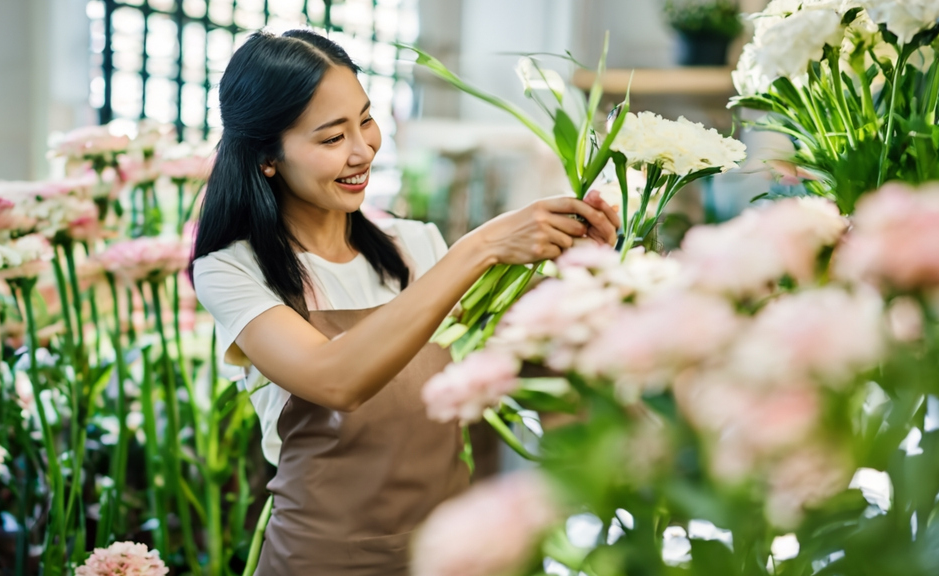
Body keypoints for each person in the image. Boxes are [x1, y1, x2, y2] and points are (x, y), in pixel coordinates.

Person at [190, 29, 620, 576]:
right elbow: (336, 380)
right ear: (268, 157)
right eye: (332, 138)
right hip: (321, 560)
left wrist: (579, 268)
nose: (363, 150)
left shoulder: (414, 246)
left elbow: (526, 360)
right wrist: (479, 248)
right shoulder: (231, 270)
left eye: (366, 121)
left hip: (446, 557)